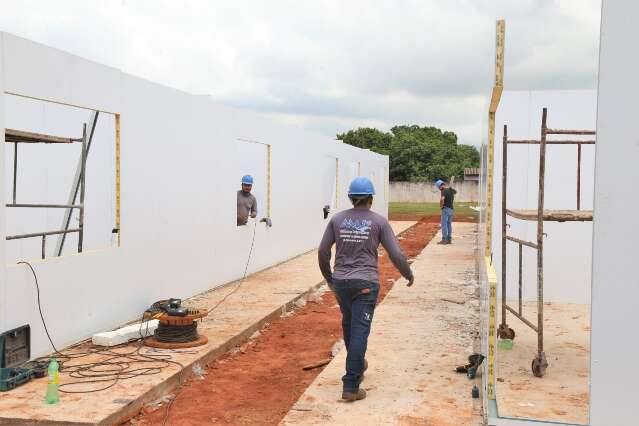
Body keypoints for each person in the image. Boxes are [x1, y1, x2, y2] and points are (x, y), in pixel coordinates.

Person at [318, 177, 414, 402]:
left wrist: (330, 279)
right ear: (371, 199)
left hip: (341, 283)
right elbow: (396, 254)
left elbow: (323, 251)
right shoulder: (378, 222)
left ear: (351, 198)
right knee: (360, 330)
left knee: (349, 325)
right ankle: (351, 385)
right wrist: (408, 274)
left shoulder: (337, 219)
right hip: (366, 285)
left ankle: (358, 364)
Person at [436, 179, 457, 244]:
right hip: (451, 209)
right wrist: (451, 189)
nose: (439, 189)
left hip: (445, 209)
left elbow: (442, 199)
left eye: (438, 187)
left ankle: (444, 240)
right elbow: (455, 192)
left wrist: (441, 206)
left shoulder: (443, 191)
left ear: (440, 186)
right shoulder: (450, 190)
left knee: (444, 225)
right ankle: (449, 239)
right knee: (449, 225)